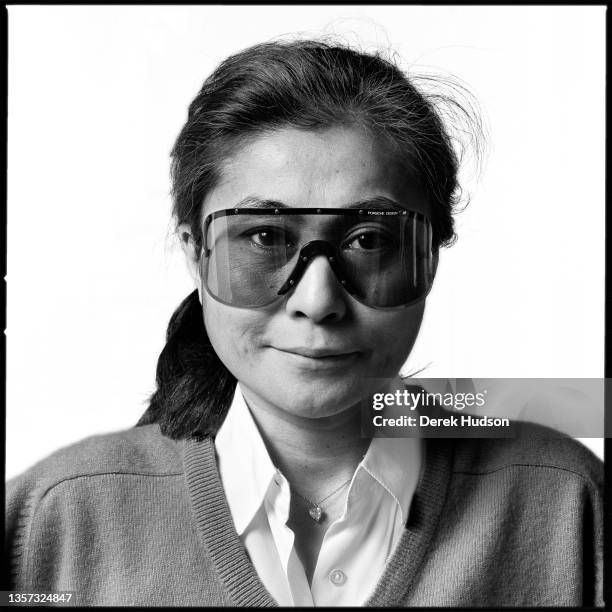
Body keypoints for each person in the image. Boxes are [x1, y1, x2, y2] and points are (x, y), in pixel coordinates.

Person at [4, 40, 603, 607]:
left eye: (369, 239)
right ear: (194, 251)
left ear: (430, 256)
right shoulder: (56, 518)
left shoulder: (565, 500)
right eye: (264, 237)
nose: (318, 302)